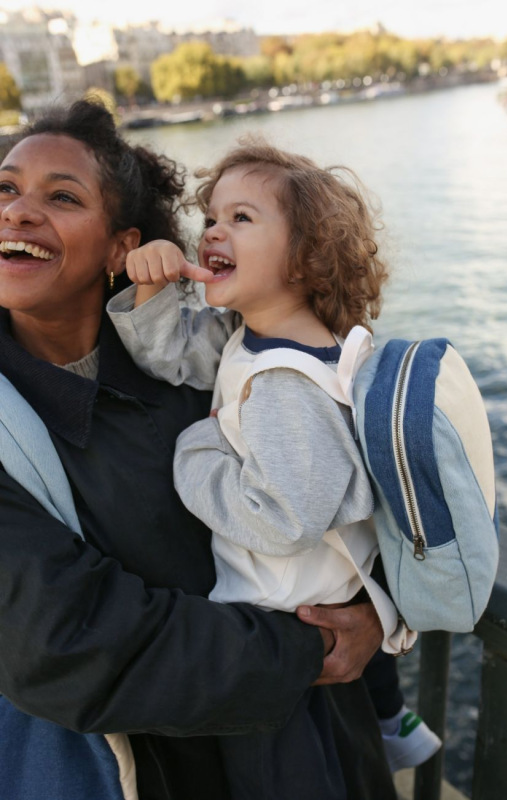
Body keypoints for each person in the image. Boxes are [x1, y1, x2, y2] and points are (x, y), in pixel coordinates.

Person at [0, 100, 396, 800]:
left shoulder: (212, 363)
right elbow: (65, 642)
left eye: (60, 196)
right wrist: (311, 648)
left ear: (123, 245)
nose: (17, 211)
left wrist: (379, 614)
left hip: (314, 749)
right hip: (155, 772)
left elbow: (357, 480)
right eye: (5, 188)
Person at [108, 139, 427, 797]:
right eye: (212, 218)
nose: (213, 231)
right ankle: (397, 721)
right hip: (289, 636)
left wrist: (194, 451)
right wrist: (151, 290)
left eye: (242, 218)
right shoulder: (252, 335)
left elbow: (283, 518)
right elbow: (173, 360)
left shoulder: (287, 386)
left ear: (306, 257)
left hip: (290, 650)